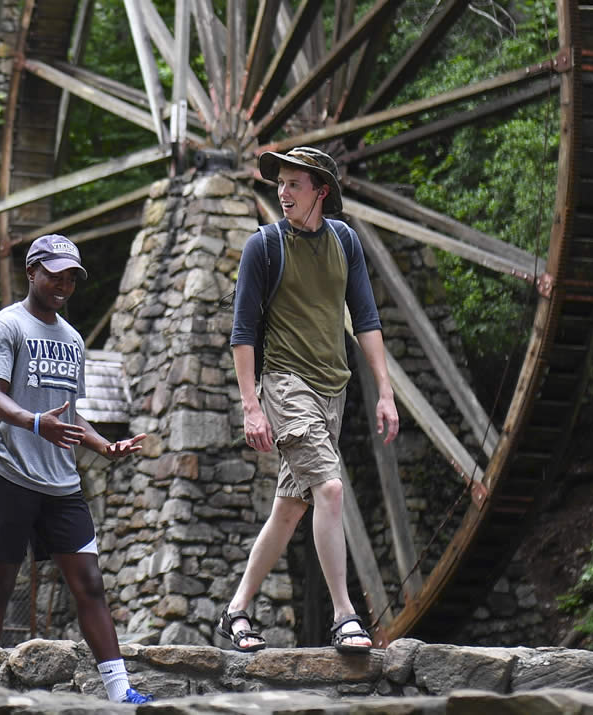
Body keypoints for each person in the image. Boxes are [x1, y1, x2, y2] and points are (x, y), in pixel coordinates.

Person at [216, 147, 400, 655]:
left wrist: (385, 392)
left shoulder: (345, 242)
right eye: (280, 182)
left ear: (321, 191)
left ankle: (236, 609)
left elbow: (365, 320)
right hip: (285, 384)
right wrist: (252, 405)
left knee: (290, 509)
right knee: (331, 489)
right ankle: (345, 616)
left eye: (295, 183)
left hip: (331, 390)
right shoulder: (264, 246)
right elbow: (243, 333)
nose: (282, 191)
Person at [0, 234, 152, 704]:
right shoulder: (5, 326)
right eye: (54, 274)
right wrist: (33, 422)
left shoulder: (71, 339)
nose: (63, 284)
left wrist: (103, 447)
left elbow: (69, 414)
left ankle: (119, 691)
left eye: (71, 276)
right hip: (7, 472)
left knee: (89, 582)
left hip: (61, 482)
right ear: (32, 272)